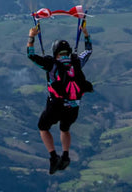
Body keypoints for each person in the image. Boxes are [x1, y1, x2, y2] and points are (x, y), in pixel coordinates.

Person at [27, 24, 93, 173]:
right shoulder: (76, 63)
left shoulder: (51, 64)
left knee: (43, 128)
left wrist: (31, 37)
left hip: (55, 105)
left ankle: (53, 157)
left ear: (55, 52)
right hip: (73, 106)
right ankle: (65, 155)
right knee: (65, 128)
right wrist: (85, 33)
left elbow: (31, 55)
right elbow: (88, 50)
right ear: (68, 51)